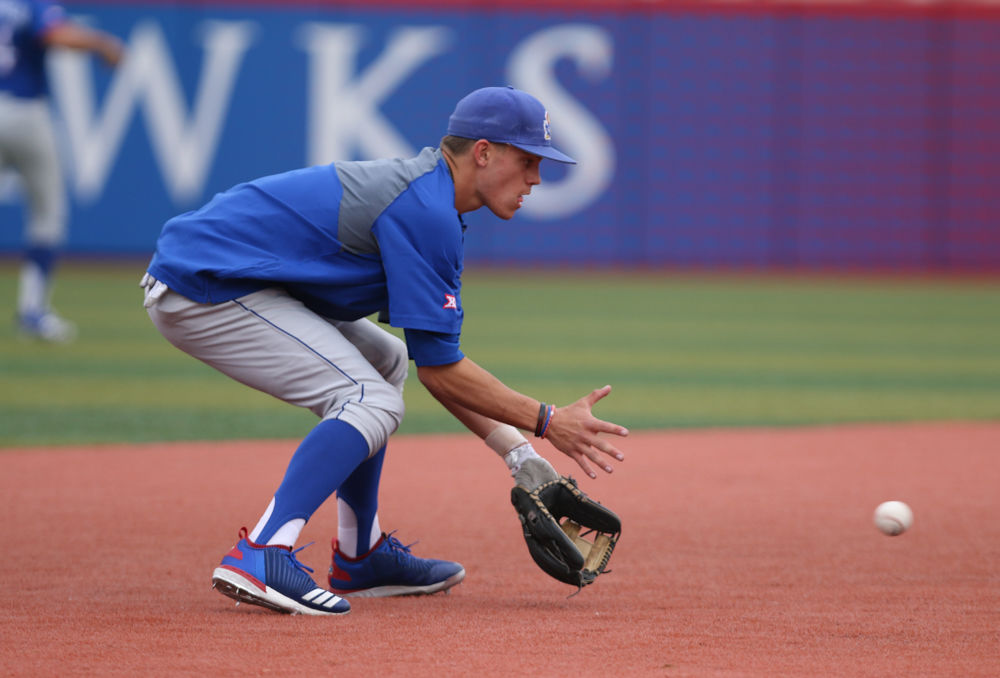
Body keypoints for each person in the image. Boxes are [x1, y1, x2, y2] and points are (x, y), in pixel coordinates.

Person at [141, 85, 628, 616]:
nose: (536, 178)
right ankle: (261, 551)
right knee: (370, 399)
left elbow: (431, 364)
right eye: (528, 160)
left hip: (237, 278)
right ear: (483, 152)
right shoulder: (426, 210)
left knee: (385, 363)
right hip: (205, 285)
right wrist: (547, 420)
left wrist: (522, 456)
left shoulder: (432, 198)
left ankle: (360, 556)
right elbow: (444, 374)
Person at [1, 0, 123, 342]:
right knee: (47, 216)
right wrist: (103, 43)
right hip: (25, 112)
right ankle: (32, 311)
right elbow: (54, 33)